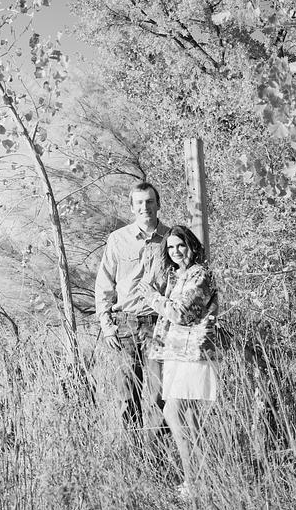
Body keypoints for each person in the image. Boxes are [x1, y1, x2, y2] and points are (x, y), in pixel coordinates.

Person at [139, 225, 218, 496]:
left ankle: (194, 482)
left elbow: (181, 314)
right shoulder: (178, 276)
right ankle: (200, 481)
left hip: (194, 353)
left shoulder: (201, 275)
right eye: (171, 247)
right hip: (175, 352)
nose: (175, 251)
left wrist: (152, 297)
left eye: (180, 245)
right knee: (189, 419)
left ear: (192, 245)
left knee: (173, 411)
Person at [94, 182, 169, 429]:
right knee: (127, 396)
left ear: (158, 204)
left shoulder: (171, 239)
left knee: (160, 395)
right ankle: (135, 449)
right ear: (132, 207)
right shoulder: (118, 239)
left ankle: (158, 449)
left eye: (149, 201)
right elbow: (104, 284)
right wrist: (107, 326)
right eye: (139, 202)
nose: (145, 207)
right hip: (125, 326)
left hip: (159, 326)